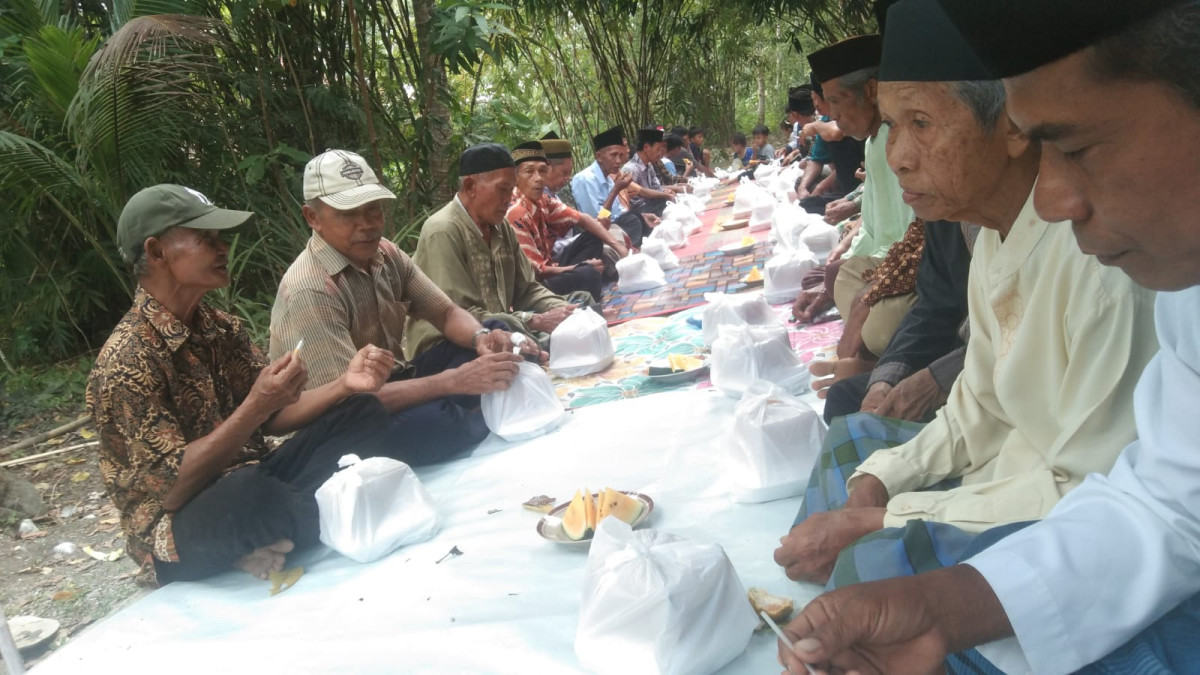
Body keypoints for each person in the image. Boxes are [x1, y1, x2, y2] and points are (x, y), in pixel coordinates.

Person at [777, 1, 1198, 672]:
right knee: (858, 451)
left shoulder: (1122, 266)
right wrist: (892, 501)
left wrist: (892, 519)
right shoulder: (1019, 247)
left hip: (1048, 496)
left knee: (877, 565)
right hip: (1037, 492)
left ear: (1007, 130)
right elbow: (1171, 504)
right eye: (892, 125)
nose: (1052, 195)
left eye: (1075, 146)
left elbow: (1091, 484)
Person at [88, 184, 399, 586]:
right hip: (178, 524)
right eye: (206, 239)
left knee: (363, 412)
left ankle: (279, 530)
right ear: (156, 252)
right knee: (251, 494)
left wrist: (344, 385)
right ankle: (335, 509)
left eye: (221, 238)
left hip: (255, 482)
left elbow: (274, 417)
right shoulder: (127, 361)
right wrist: (254, 406)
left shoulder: (219, 327)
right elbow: (171, 491)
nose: (222, 248)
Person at [268, 150, 529, 467]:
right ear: (313, 218)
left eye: (373, 210)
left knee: (498, 335)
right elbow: (352, 404)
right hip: (339, 424)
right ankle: (483, 418)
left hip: (391, 384)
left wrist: (481, 337)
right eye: (348, 214)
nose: (366, 224)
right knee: (437, 421)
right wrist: (452, 381)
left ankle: (482, 413)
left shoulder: (384, 253)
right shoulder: (310, 290)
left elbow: (445, 313)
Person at [792, 34, 917, 360]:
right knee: (828, 275)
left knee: (843, 283)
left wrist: (864, 279)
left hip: (914, 265)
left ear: (872, 90)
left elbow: (919, 240)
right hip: (884, 258)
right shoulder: (874, 142)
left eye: (836, 100)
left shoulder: (902, 139)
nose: (833, 115)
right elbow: (874, 224)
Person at [407, 144, 591, 358]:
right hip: (449, 345)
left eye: (512, 189)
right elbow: (459, 315)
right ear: (470, 187)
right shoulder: (442, 230)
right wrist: (535, 320)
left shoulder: (501, 227)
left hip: (499, 327)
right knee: (513, 336)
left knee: (581, 304)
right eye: (502, 189)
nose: (508, 198)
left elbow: (528, 290)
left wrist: (567, 312)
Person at [817, 222, 974, 424]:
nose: (905, 191)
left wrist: (935, 381)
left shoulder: (1012, 230)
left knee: (883, 322)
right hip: (964, 355)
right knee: (845, 400)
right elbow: (936, 306)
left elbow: (1009, 340)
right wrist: (884, 381)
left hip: (998, 378)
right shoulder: (946, 221)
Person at [505, 141, 629, 300]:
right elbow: (536, 272)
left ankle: (588, 281)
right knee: (588, 274)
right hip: (535, 283)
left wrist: (618, 247)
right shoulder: (516, 212)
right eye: (529, 172)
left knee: (598, 237)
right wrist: (579, 267)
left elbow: (584, 219)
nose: (538, 178)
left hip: (552, 265)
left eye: (542, 171)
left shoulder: (543, 199)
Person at [569, 125, 632, 221]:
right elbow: (598, 220)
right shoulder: (585, 179)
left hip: (616, 226)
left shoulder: (608, 178)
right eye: (614, 155)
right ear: (599, 156)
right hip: (600, 232)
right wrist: (615, 191)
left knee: (638, 218)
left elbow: (619, 211)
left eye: (621, 155)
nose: (618, 161)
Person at [620, 126, 680, 218]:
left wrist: (666, 191)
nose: (660, 153)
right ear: (646, 147)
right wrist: (664, 195)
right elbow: (635, 203)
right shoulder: (630, 169)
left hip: (652, 206)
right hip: (641, 212)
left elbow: (657, 187)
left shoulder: (649, 165)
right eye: (658, 149)